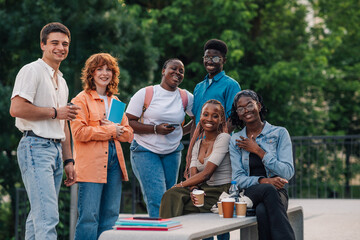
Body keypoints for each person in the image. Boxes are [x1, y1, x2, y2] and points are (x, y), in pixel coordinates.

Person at [9, 22, 79, 239]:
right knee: (47, 216)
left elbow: (64, 123)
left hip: (56, 151)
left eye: (65, 44)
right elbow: (16, 108)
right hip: (35, 146)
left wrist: (69, 161)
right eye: (54, 43)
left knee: (38, 216)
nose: (61, 47)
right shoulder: (32, 70)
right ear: (43, 45)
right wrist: (55, 112)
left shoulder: (63, 81)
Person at [70, 53, 133, 240]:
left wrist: (116, 129)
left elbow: (129, 134)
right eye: (100, 69)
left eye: (109, 70)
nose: (104, 73)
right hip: (91, 164)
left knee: (111, 216)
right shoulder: (81, 100)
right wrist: (112, 131)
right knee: (89, 217)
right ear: (91, 73)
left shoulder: (116, 102)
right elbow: (79, 133)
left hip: (114, 162)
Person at [125, 58, 194, 217]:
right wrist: (155, 129)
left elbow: (198, 118)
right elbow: (130, 121)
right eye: (173, 69)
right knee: (157, 198)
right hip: (145, 150)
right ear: (163, 71)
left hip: (172, 152)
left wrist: (180, 132)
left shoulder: (185, 97)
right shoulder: (146, 93)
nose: (177, 73)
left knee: (169, 198)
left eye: (181, 71)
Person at [159, 99, 231, 240]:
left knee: (175, 198)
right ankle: (168, 236)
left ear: (221, 120)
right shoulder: (197, 144)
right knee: (172, 197)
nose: (209, 119)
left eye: (215, 116)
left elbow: (206, 174)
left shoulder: (224, 138)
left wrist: (179, 185)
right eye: (205, 114)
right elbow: (193, 173)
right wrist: (193, 189)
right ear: (200, 117)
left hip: (222, 193)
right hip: (204, 191)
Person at [229, 90, 295, 240]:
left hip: (277, 194)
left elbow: (287, 172)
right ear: (238, 114)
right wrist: (264, 181)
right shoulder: (236, 139)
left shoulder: (280, 133)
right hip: (249, 193)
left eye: (249, 105)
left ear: (258, 106)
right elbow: (238, 178)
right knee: (267, 187)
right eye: (240, 108)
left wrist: (258, 151)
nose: (246, 110)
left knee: (262, 211)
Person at [192, 39, 241, 134]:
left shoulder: (231, 85)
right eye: (207, 57)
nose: (210, 61)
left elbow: (233, 119)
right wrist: (191, 147)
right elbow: (195, 120)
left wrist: (218, 142)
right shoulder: (199, 87)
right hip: (198, 144)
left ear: (224, 60)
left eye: (215, 58)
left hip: (219, 144)